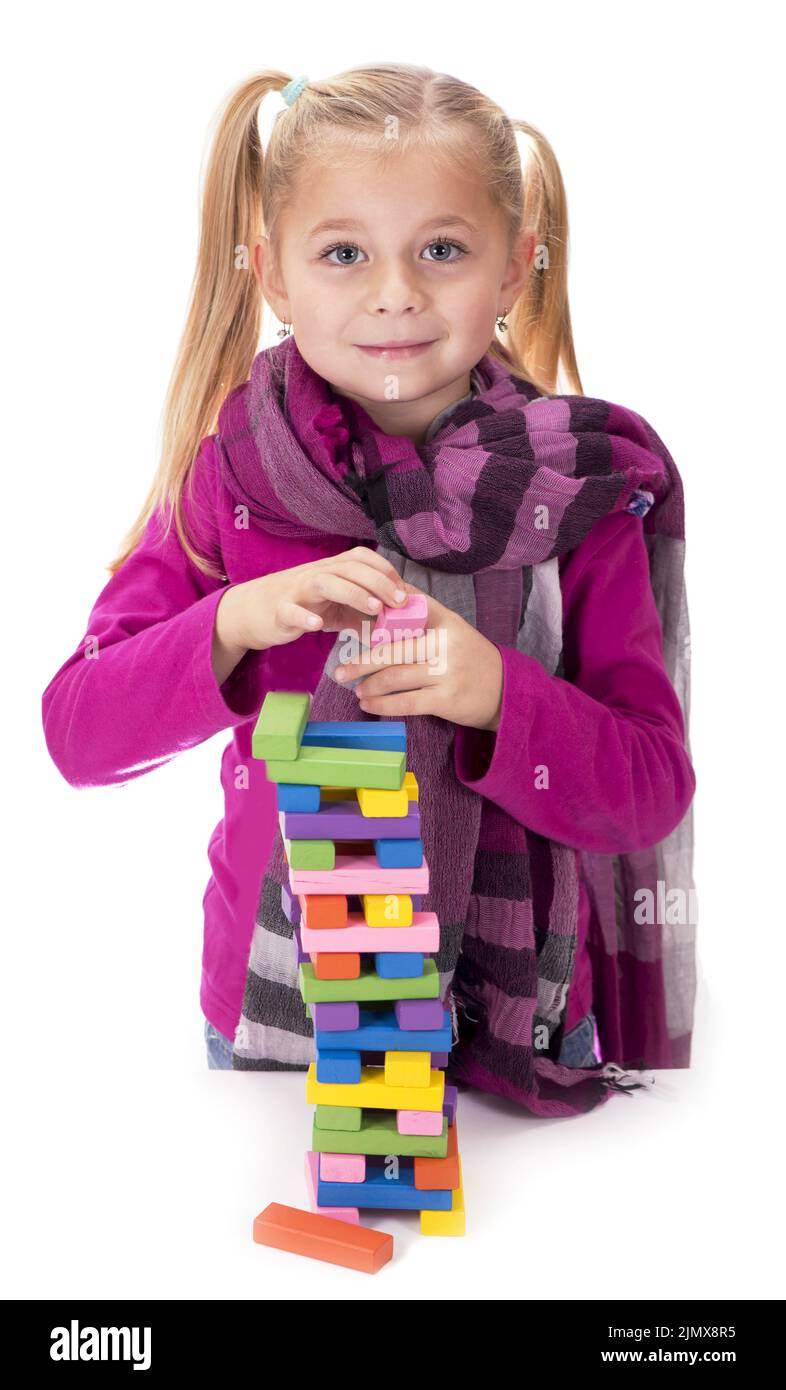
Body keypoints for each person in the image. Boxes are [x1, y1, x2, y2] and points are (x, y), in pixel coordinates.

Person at [41, 65, 696, 1108]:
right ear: (273, 276)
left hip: (518, 1022)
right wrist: (233, 623)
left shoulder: (576, 498)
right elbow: (76, 732)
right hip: (278, 1027)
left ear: (518, 268)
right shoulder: (232, 476)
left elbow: (652, 786)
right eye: (344, 253)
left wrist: (496, 693)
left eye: (442, 248)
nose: (395, 291)